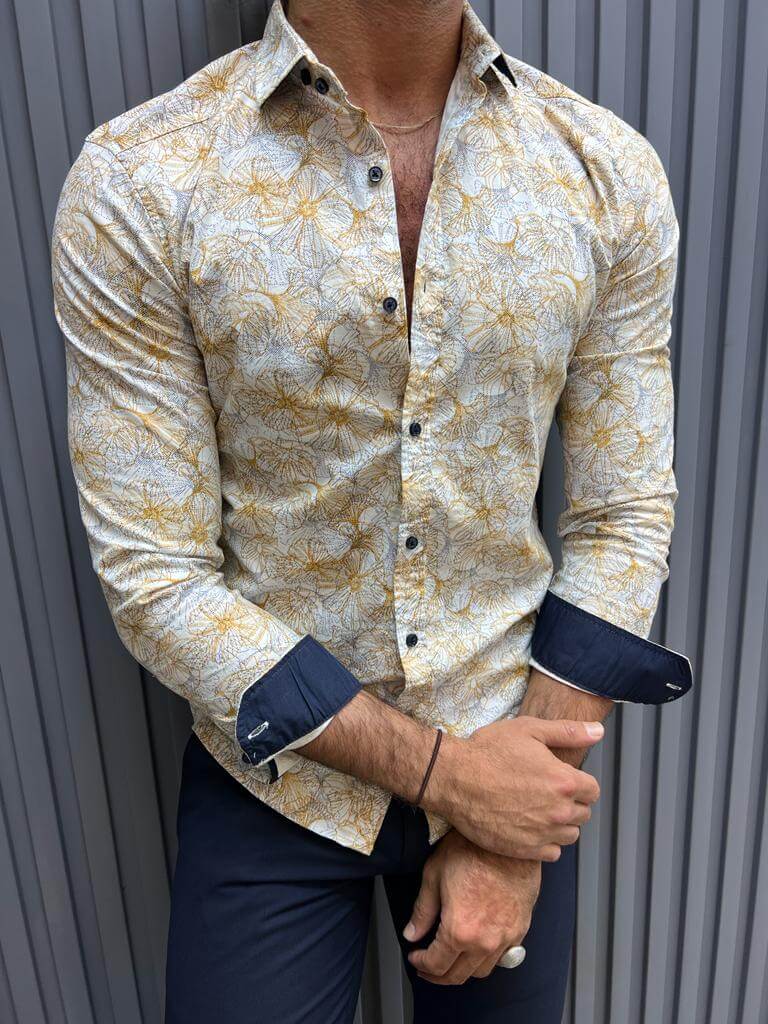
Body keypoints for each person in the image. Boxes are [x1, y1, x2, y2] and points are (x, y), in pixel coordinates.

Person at [50, 0, 693, 1019]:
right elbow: (154, 575)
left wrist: (508, 822)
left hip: (515, 749)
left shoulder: (604, 171)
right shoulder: (144, 180)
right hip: (275, 778)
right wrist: (451, 779)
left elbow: (623, 514)